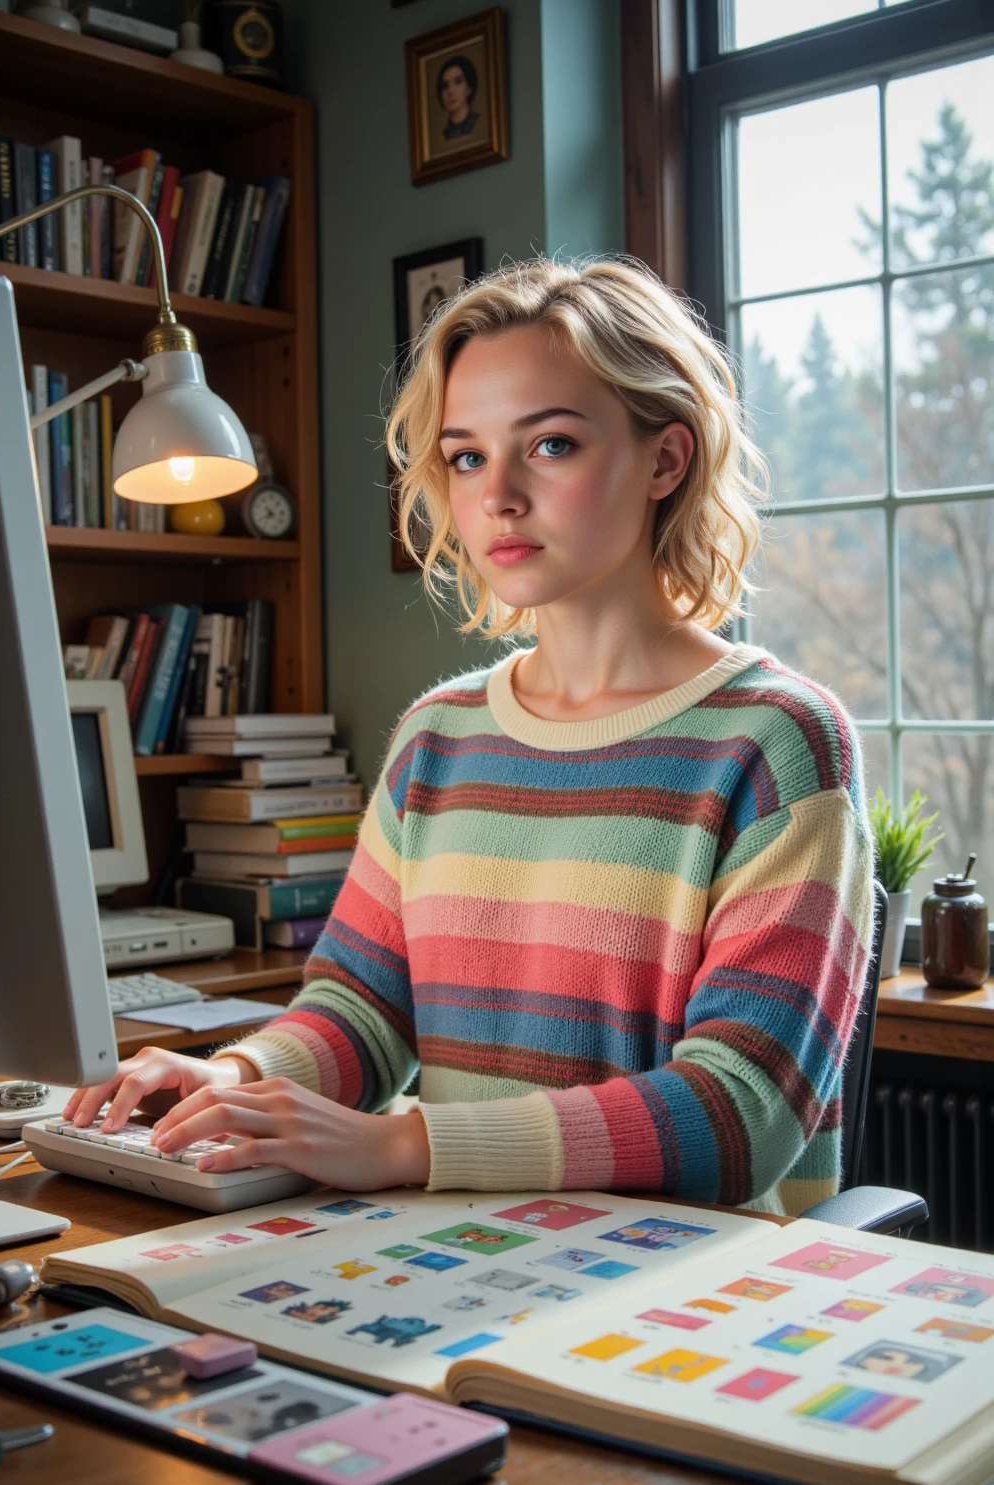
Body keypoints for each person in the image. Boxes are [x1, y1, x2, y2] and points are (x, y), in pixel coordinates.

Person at [66, 256, 875, 1216]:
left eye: (551, 446)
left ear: (667, 459)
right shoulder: (437, 738)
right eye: (465, 456)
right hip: (456, 1269)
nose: (497, 496)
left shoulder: (779, 744)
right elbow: (362, 1013)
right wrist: (237, 1079)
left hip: (676, 1311)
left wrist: (408, 1143)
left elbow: (739, 1120)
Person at [436, 54, 480, 140]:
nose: (450, 91)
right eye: (445, 86)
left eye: (458, 82)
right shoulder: (442, 137)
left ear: (469, 88)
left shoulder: (481, 124)